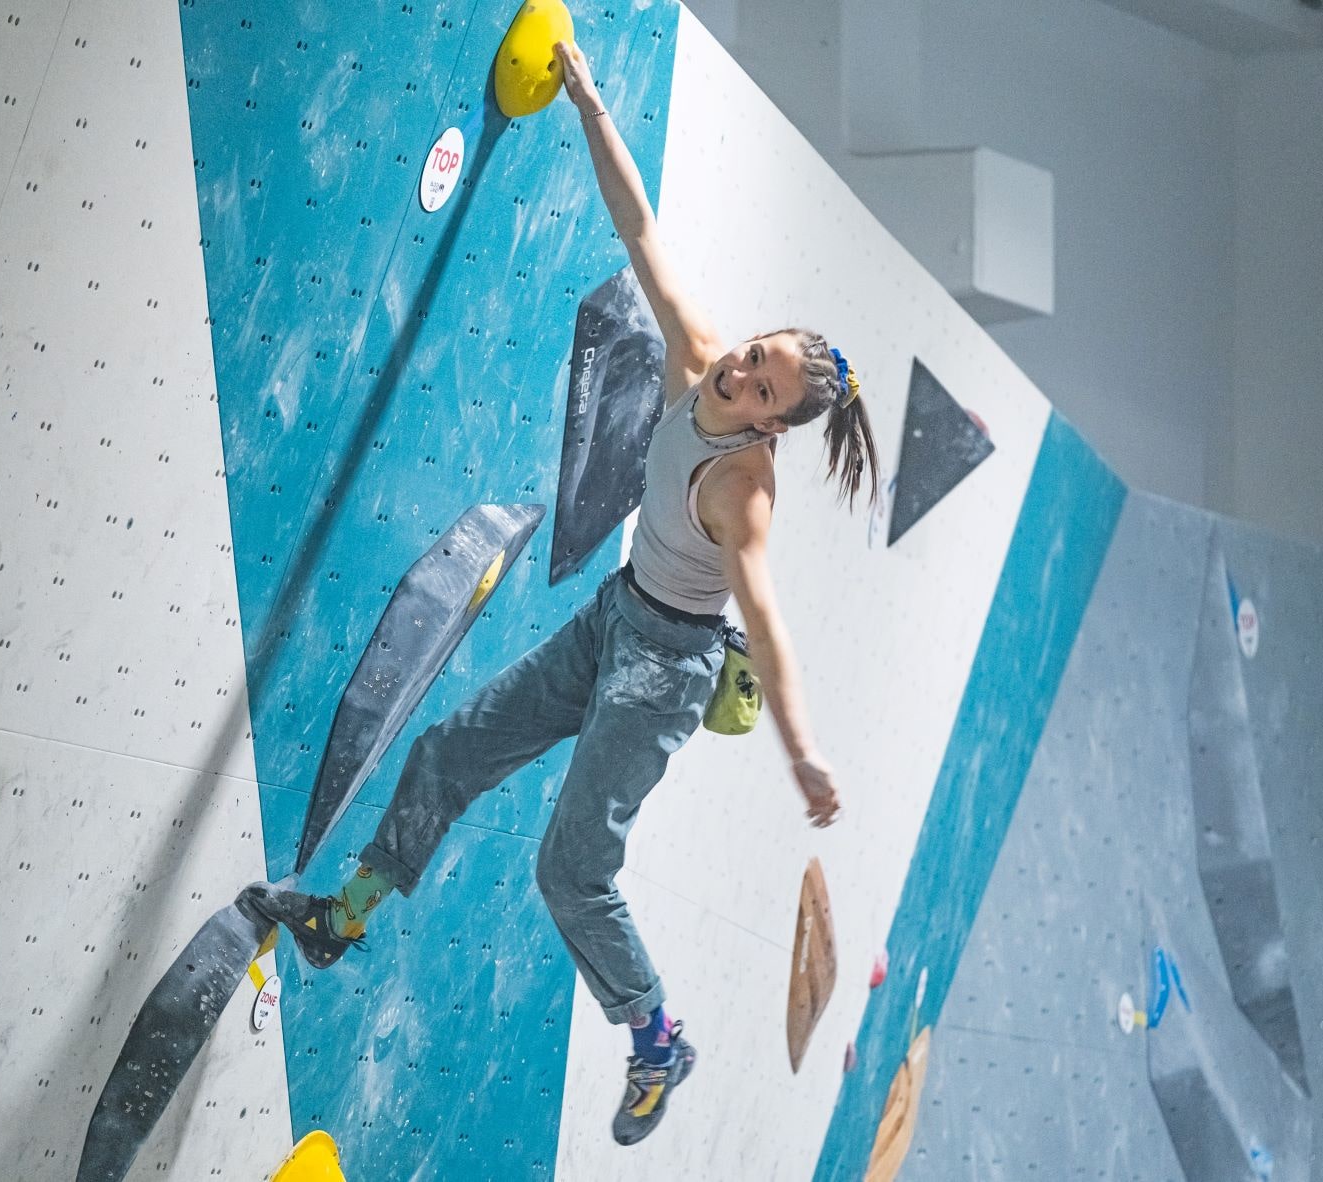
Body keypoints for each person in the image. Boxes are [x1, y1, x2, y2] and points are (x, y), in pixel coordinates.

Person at [247, 38, 879, 1145]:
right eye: (754, 354)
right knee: (447, 750)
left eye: (759, 385)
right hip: (614, 621)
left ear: (773, 425)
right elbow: (640, 229)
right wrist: (591, 106)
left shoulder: (744, 489)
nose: (738, 372)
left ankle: (656, 1038)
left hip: (665, 672)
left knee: (571, 872)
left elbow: (767, 625)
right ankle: (339, 920)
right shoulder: (699, 358)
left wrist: (804, 752)